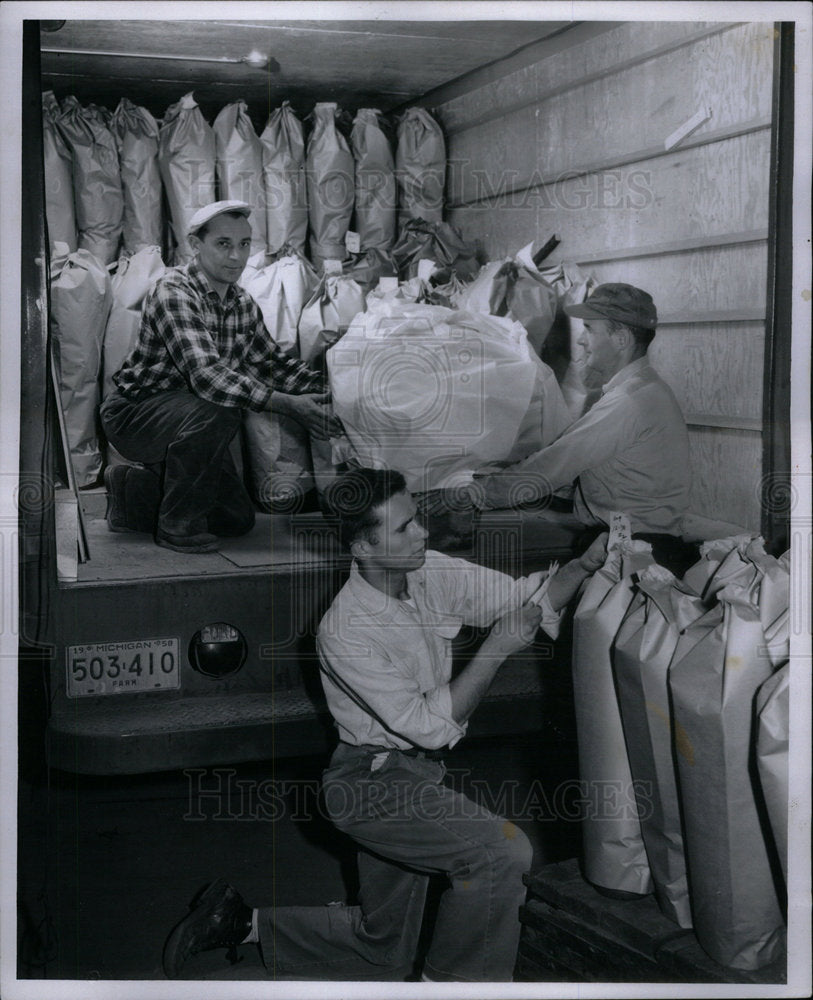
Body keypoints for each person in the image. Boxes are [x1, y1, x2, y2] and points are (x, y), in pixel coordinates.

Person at [161, 467, 608, 981]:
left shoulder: (429, 572)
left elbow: (525, 600)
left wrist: (581, 566)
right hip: (369, 786)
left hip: (418, 775)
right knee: (501, 854)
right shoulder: (344, 629)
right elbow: (429, 727)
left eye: (415, 518)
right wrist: (497, 649)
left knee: (385, 947)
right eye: (402, 528)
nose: (421, 532)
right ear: (362, 548)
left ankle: (241, 923)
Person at [100, 200, 341, 553]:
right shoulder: (174, 291)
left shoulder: (241, 302)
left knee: (236, 521)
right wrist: (289, 406)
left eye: (244, 244)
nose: (236, 256)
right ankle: (175, 528)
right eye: (223, 244)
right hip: (135, 414)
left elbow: (272, 364)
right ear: (196, 246)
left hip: (193, 419)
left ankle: (132, 491)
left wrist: (336, 391)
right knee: (218, 409)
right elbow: (208, 377)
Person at [474, 282, 695, 572]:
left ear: (622, 339)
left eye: (590, 329)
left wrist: (471, 494)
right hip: (640, 546)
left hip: (635, 559)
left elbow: (549, 468)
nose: (581, 340)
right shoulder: (644, 390)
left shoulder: (629, 402)